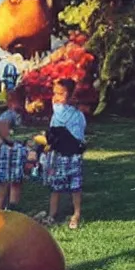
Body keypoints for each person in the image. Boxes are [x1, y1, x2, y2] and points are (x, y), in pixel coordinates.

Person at [35, 79, 87, 230]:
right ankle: (52, 214)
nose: (56, 97)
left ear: (70, 96)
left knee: (75, 186)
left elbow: (79, 135)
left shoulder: (76, 115)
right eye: (54, 93)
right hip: (58, 155)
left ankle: (76, 214)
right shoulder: (57, 112)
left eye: (61, 93)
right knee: (55, 186)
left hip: (72, 155)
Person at [0, 90, 28, 211]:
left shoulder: (21, 115)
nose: (20, 104)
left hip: (16, 151)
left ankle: (13, 206)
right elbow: (0, 126)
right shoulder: (8, 114)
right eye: (17, 102)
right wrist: (11, 141)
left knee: (16, 180)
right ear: (9, 103)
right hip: (6, 151)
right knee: (4, 181)